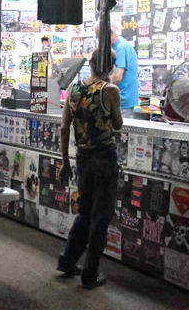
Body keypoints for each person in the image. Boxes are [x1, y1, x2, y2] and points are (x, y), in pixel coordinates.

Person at [56, 51, 123, 290]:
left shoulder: (74, 88)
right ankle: (90, 273)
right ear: (110, 66)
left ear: (91, 64)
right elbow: (118, 124)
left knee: (85, 212)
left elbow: (64, 127)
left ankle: (67, 260)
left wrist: (65, 162)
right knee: (100, 217)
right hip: (104, 158)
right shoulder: (110, 90)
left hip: (82, 158)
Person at [95, 24, 139, 118]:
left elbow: (117, 76)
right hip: (119, 99)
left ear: (110, 33)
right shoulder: (117, 46)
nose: (100, 42)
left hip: (122, 101)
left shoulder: (121, 48)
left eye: (100, 38)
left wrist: (98, 89)